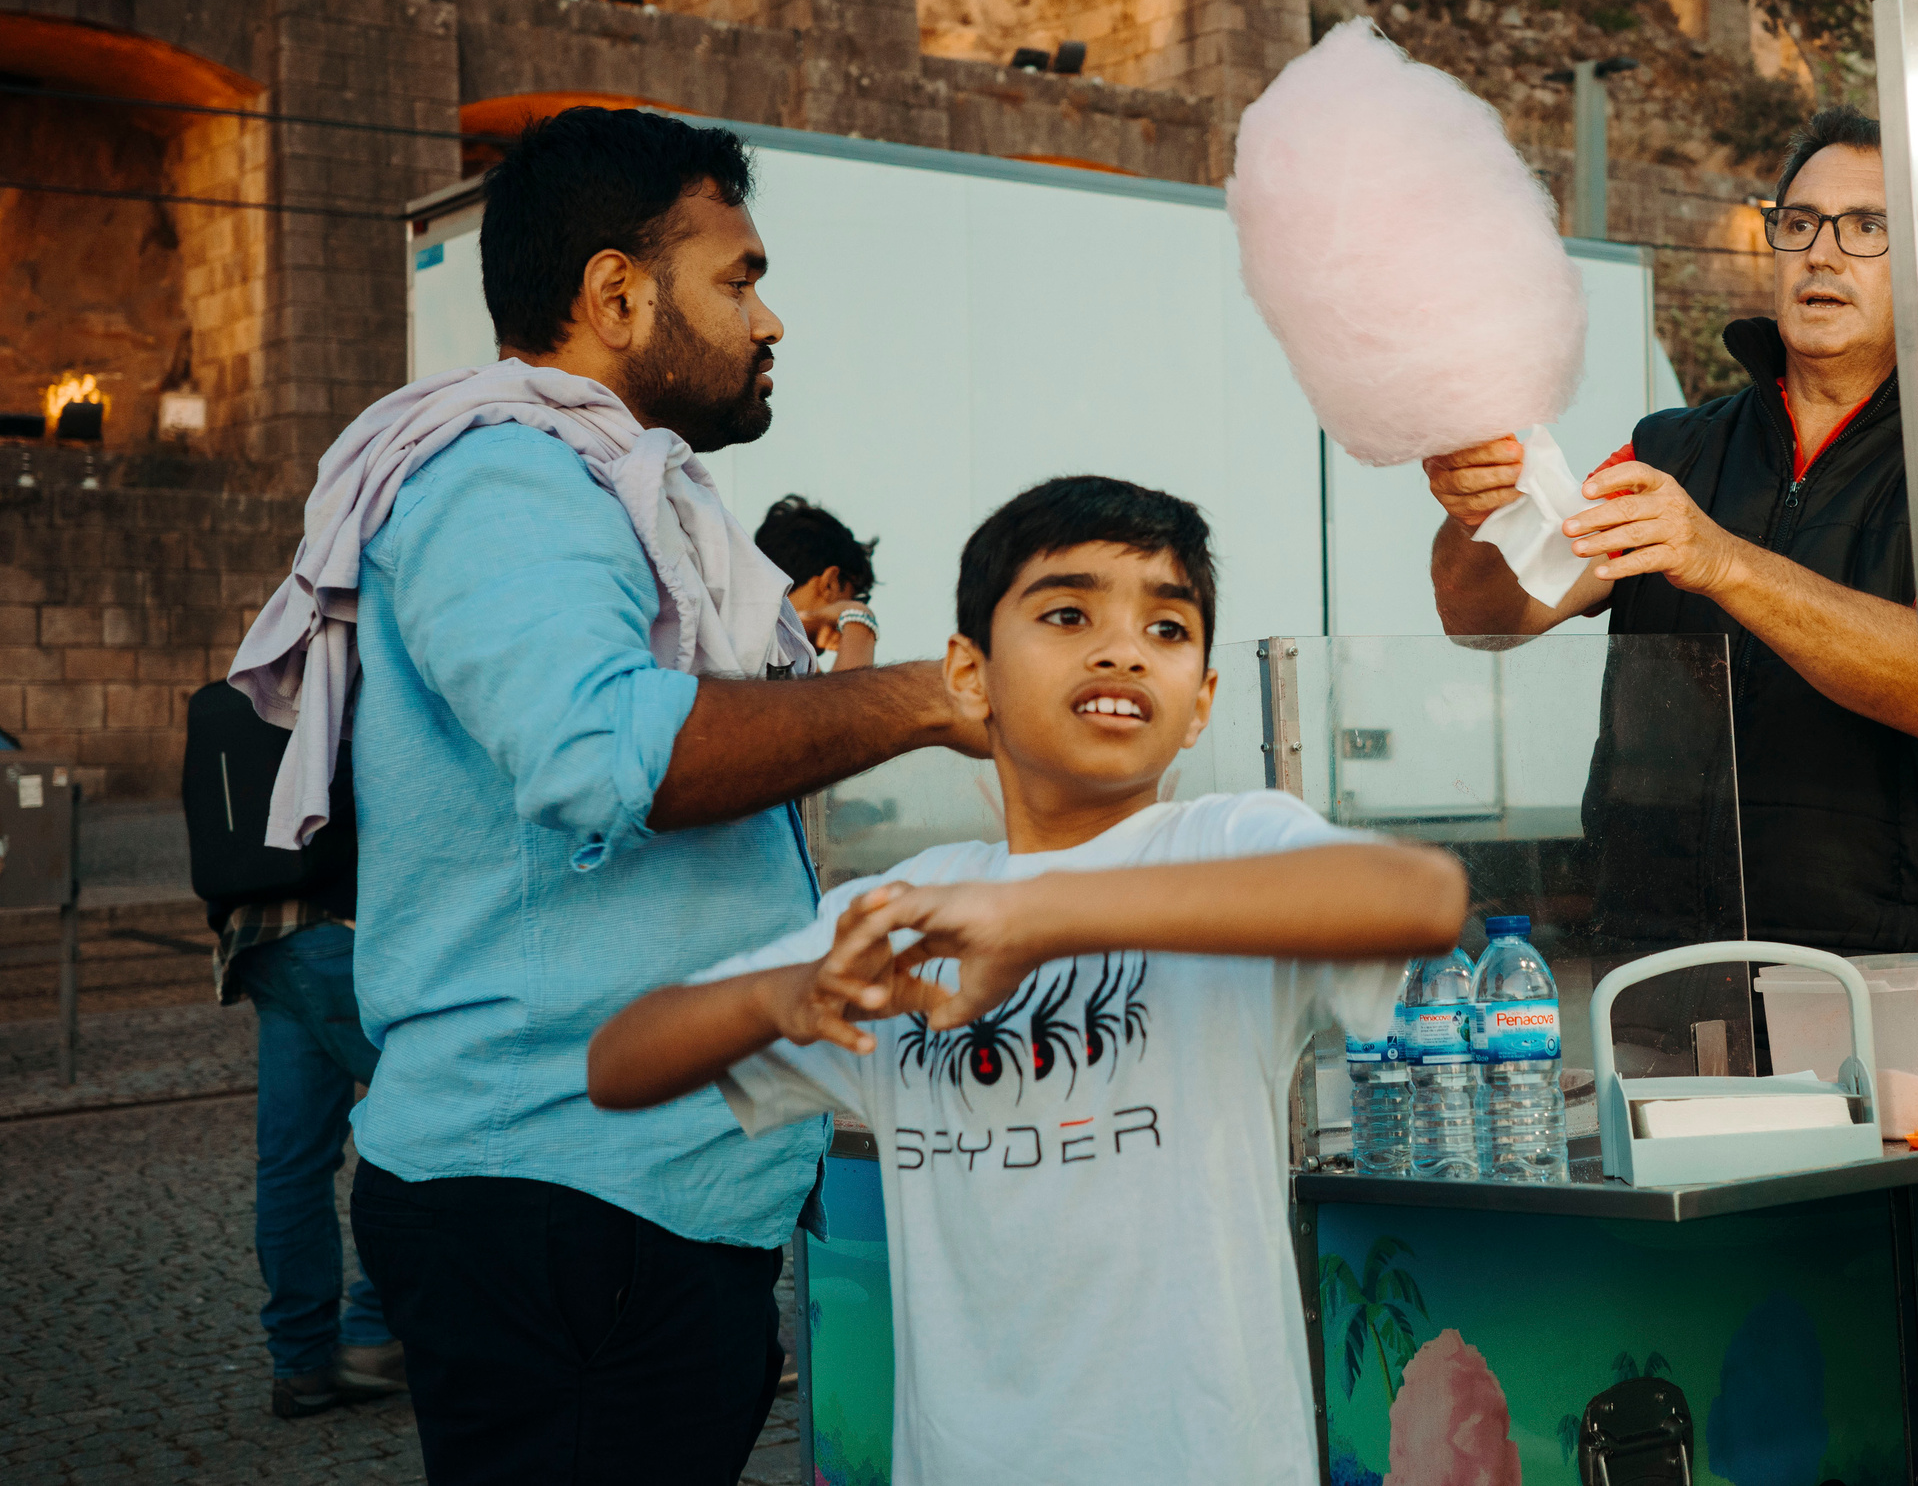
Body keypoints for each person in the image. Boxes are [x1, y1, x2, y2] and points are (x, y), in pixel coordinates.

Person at [230, 108, 984, 1484]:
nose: (770, 319)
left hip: (629, 1200)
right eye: (739, 277)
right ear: (617, 293)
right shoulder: (501, 478)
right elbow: (600, 749)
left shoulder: (618, 486)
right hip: (561, 1200)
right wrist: (935, 695)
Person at [586, 475, 1467, 1485]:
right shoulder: (900, 907)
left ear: (1200, 708)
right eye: (1067, 613)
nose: (1123, 648)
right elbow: (618, 1065)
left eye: (1168, 629)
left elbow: (1418, 894)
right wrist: (779, 997)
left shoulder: (1225, 841)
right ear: (970, 674)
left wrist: (1036, 916)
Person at [1424, 108, 1918, 983]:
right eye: (1800, 223)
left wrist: (1727, 563)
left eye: (1868, 228)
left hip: (1888, 978)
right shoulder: (1670, 449)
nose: (1822, 253)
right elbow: (1484, 616)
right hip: (1661, 969)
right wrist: (1478, 513)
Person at [209, 777, 406, 1418]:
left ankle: (302, 1363)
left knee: (292, 1162)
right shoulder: (357, 675)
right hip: (340, 928)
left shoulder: (245, 692)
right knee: (441, 1112)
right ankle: (377, 1335)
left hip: (260, 937)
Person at [756, 493, 880, 667]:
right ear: (830, 582)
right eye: (851, 597)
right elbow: (849, 694)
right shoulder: (772, 655)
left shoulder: (737, 629)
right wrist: (859, 617)